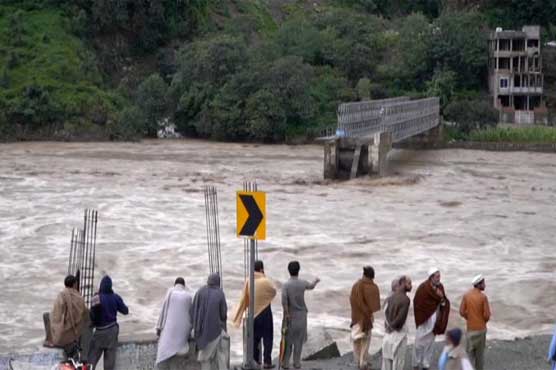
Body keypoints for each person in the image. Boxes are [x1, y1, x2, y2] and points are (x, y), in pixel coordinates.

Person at [233, 260, 277, 368]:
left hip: (253, 314)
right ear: (261, 269)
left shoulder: (249, 280)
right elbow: (274, 291)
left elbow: (244, 297)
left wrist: (239, 314)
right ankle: (267, 362)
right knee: (267, 338)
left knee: (254, 338)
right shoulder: (265, 281)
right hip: (265, 312)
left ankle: (256, 361)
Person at [281, 261, 320, 369]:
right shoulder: (302, 283)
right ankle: (297, 363)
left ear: (289, 271)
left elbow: (284, 302)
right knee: (299, 341)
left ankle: (285, 363)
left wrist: (287, 314)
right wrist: (316, 281)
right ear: (298, 270)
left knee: (288, 341)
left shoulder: (286, 285)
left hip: (290, 316)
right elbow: (311, 286)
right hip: (302, 316)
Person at [413, 268, 450, 370]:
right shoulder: (423, 288)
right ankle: (416, 363)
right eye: (437, 276)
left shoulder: (440, 287)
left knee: (430, 343)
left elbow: (443, 302)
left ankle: (426, 364)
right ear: (431, 277)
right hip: (424, 320)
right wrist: (423, 315)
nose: (439, 278)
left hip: (435, 320)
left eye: (439, 276)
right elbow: (417, 303)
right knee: (419, 343)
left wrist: (441, 297)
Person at [89, 275, 129, 370]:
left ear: (101, 286)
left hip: (99, 333)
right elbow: (125, 311)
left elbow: (92, 316)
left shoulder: (96, 298)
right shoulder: (115, 297)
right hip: (112, 331)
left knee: (91, 361)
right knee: (109, 363)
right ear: (110, 286)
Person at [191, 273, 229, 370]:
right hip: (216, 331)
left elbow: (193, 310)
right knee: (220, 355)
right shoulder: (220, 293)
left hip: (201, 331)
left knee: (204, 358)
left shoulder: (200, 291)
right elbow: (223, 314)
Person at [155, 277, 194, 369]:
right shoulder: (188, 296)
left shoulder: (170, 293)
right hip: (183, 335)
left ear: (174, 285)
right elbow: (191, 314)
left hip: (170, 332)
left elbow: (163, 311)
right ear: (184, 286)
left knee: (164, 355)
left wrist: (158, 328)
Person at [349, 266, 381, 370]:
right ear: (373, 276)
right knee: (365, 341)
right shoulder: (373, 287)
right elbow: (375, 306)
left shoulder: (355, 286)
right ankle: (363, 362)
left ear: (363, 274)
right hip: (367, 317)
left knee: (356, 341)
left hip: (356, 317)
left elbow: (352, 301)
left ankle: (358, 361)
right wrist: (368, 313)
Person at [50, 275, 89, 355]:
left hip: (64, 331)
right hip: (76, 330)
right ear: (74, 284)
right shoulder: (79, 297)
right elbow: (84, 312)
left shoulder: (61, 295)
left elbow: (56, 314)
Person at [459, 274, 491, 370]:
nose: (485, 285)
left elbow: (461, 311)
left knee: (469, 354)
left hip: (470, 329)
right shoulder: (483, 297)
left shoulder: (466, 295)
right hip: (481, 329)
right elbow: (487, 315)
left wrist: (469, 318)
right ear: (479, 284)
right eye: (483, 283)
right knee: (479, 356)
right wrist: (482, 321)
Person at [382, 276, 412, 370]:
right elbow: (400, 319)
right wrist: (393, 326)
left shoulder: (389, 298)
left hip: (387, 336)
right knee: (398, 363)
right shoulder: (405, 299)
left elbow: (385, 314)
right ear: (402, 283)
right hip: (399, 335)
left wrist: (389, 327)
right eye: (409, 283)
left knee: (387, 363)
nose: (411, 286)